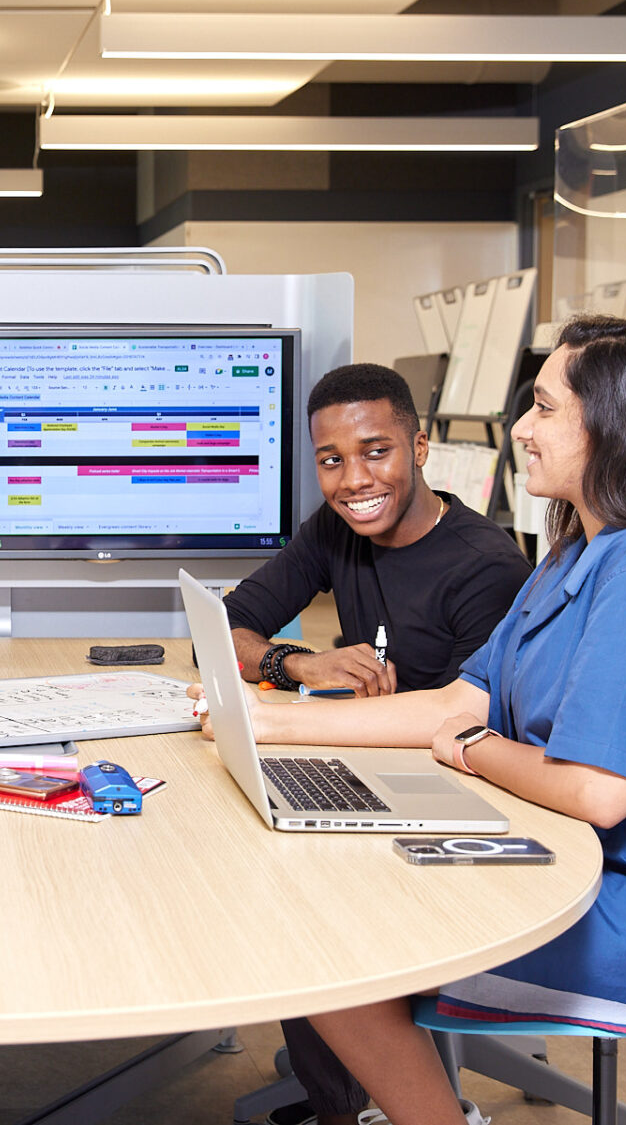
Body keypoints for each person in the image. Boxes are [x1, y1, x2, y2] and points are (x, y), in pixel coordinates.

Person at [231, 317, 626, 1125]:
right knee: (323, 884)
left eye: (545, 408)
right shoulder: (573, 558)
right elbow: (457, 700)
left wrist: (474, 750)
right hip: (582, 866)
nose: (521, 429)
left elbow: (596, 791)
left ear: (621, 429)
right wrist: (269, 722)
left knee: (326, 932)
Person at [194, 363, 534, 1125]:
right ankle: (351, 1094)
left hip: (468, 805)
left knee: (307, 897)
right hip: (375, 774)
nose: (353, 480)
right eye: (331, 460)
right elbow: (227, 629)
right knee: (265, 849)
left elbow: (464, 724)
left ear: (420, 447)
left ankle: (366, 1103)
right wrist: (297, 661)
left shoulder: (485, 566)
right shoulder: (337, 531)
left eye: (376, 451)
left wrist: (290, 715)